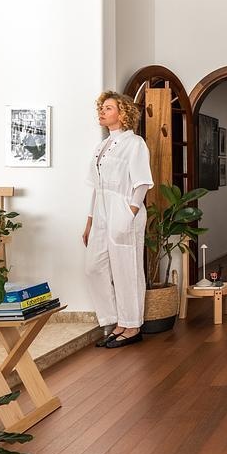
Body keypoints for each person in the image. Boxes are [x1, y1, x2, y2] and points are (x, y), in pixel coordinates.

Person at [84, 91, 153, 348]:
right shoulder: (101, 146)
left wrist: (130, 213)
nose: (102, 111)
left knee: (127, 268)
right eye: (101, 107)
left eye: (109, 108)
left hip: (123, 209)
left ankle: (132, 325)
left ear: (122, 113)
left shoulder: (135, 144)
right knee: (93, 267)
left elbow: (142, 183)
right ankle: (115, 320)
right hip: (101, 210)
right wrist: (90, 221)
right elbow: (96, 187)